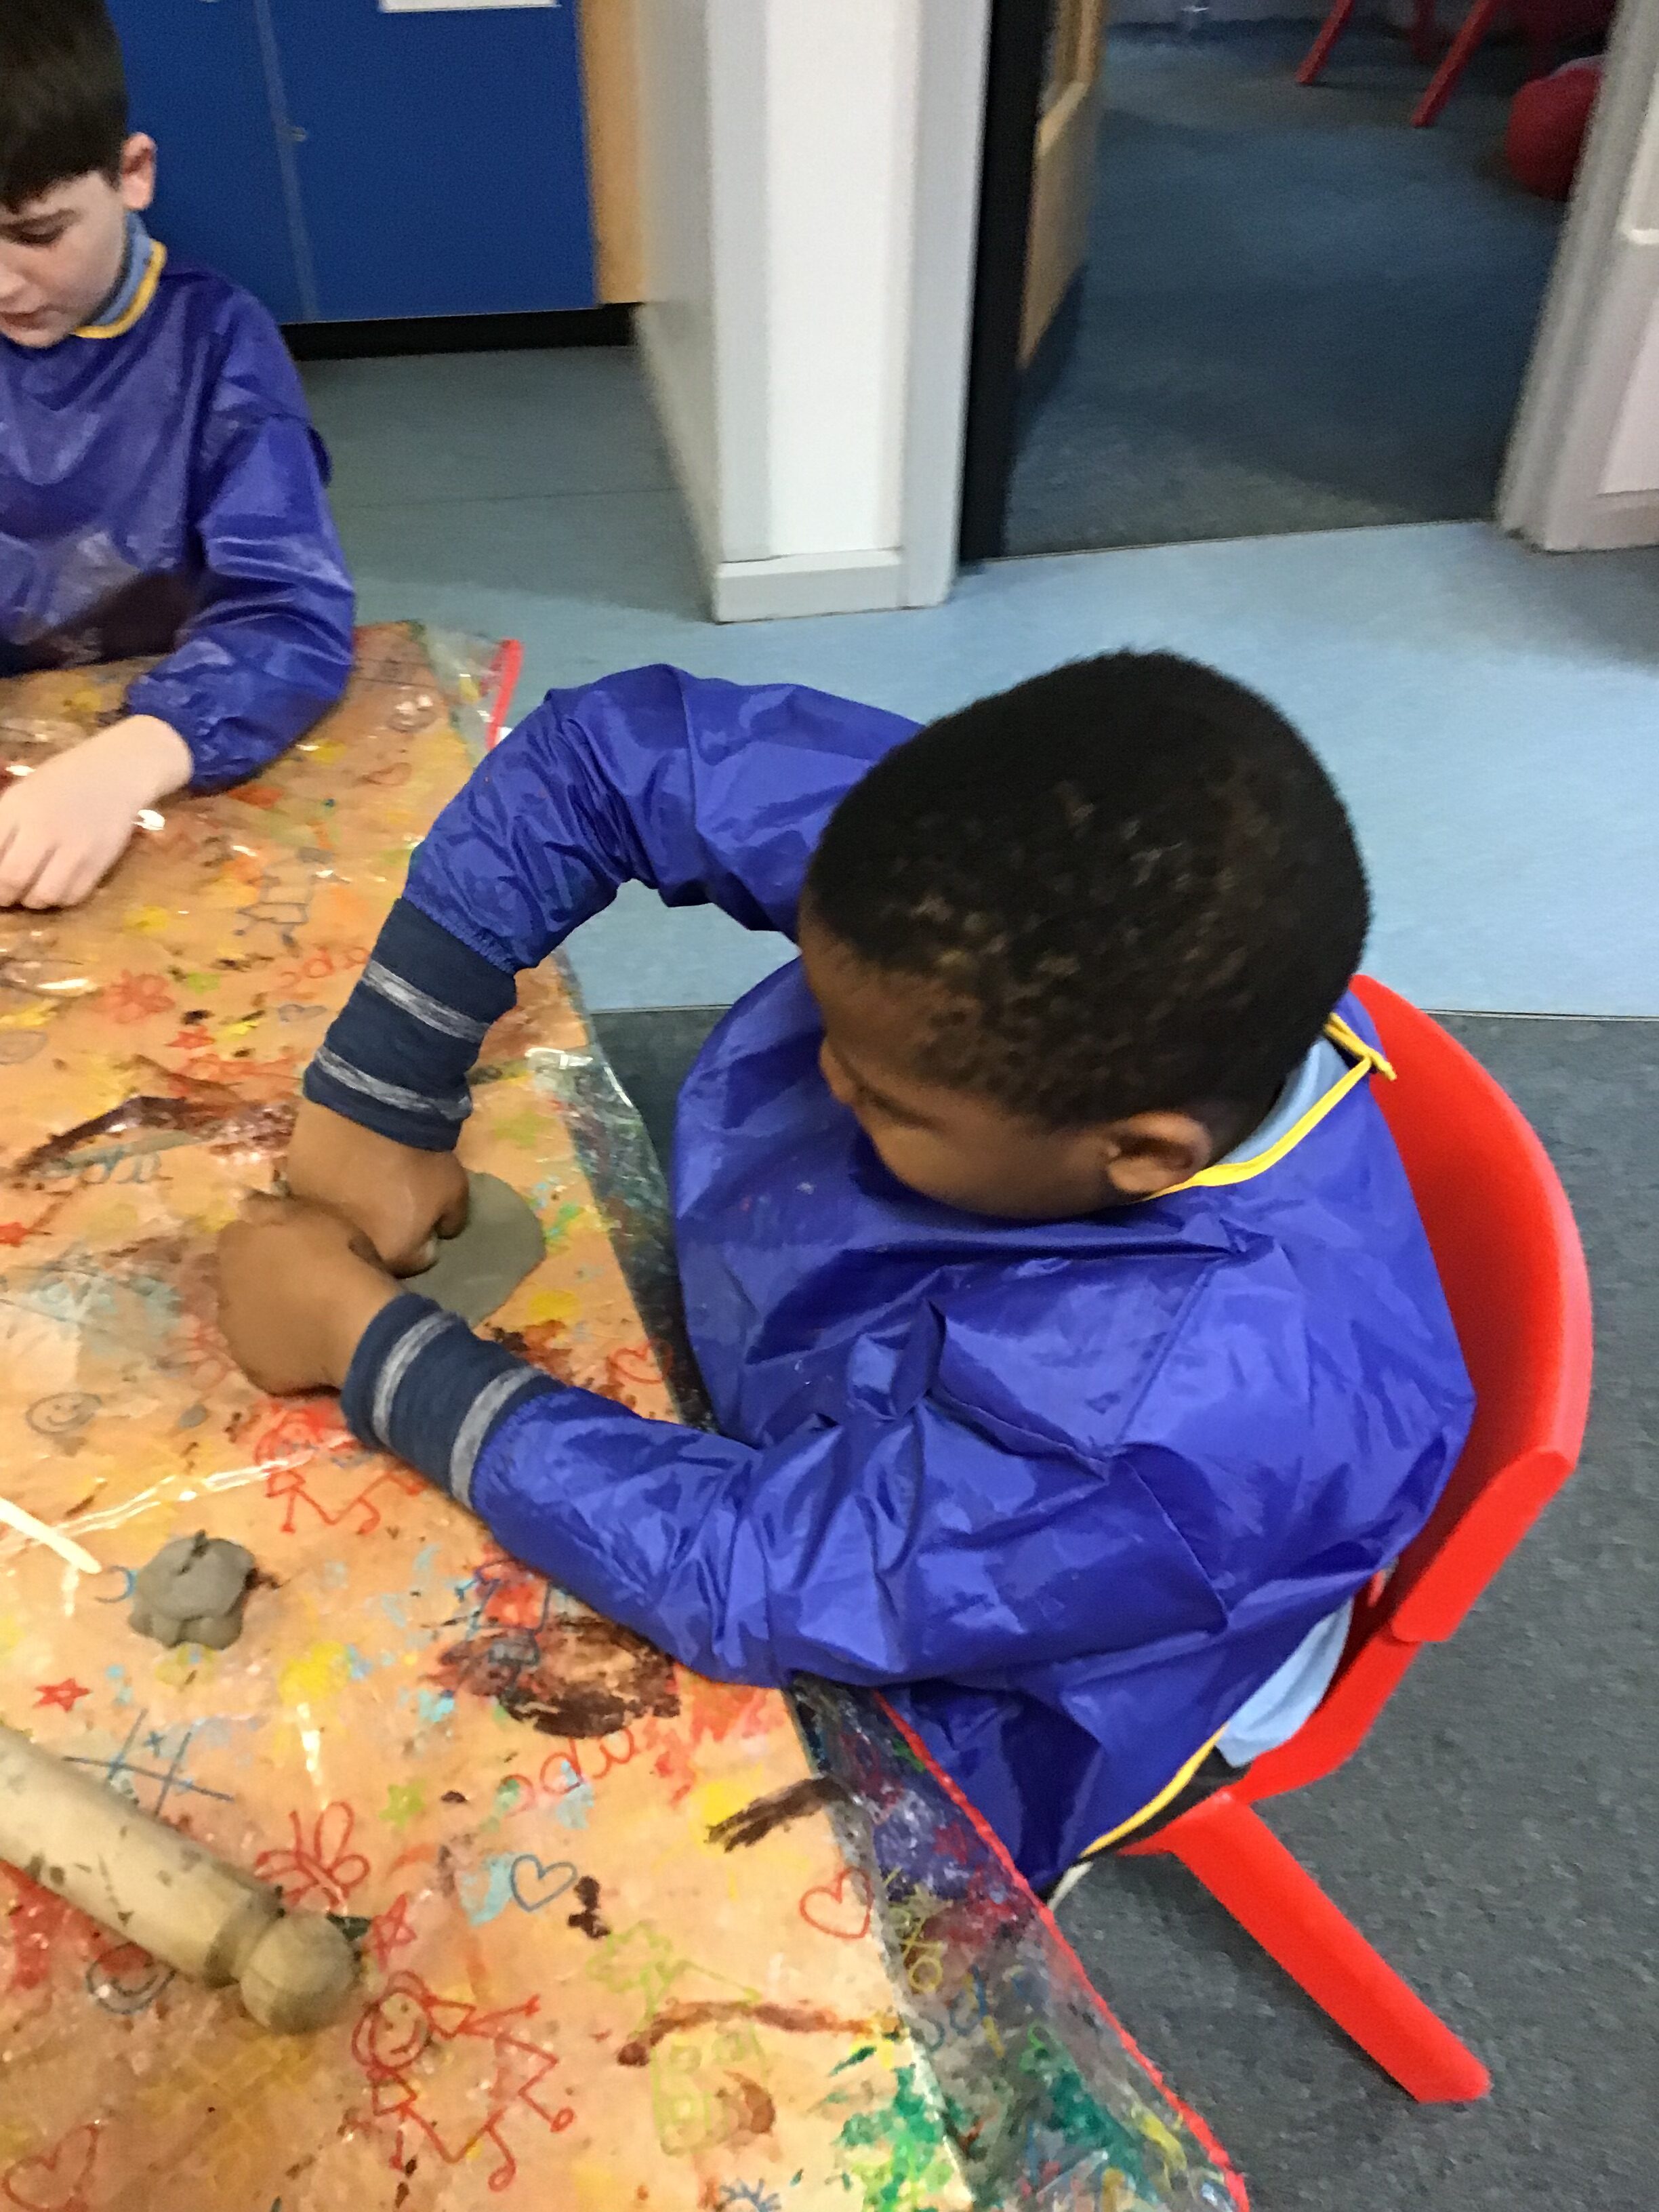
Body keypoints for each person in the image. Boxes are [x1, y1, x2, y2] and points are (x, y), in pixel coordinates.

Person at [216, 654, 1475, 1898]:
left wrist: (369, 1346)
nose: (825, 1073)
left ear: (1141, 1155)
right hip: (903, 1426)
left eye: (879, 1095)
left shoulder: (1167, 1429)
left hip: (1056, 1657)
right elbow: (610, 757)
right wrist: (385, 1085)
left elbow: (755, 1569)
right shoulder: (975, 894)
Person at [0, 0, 354, 910]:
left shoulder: (218, 344)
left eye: (37, 234)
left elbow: (290, 614)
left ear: (133, 174)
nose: (2, 283)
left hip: (176, 732)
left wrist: (128, 762)